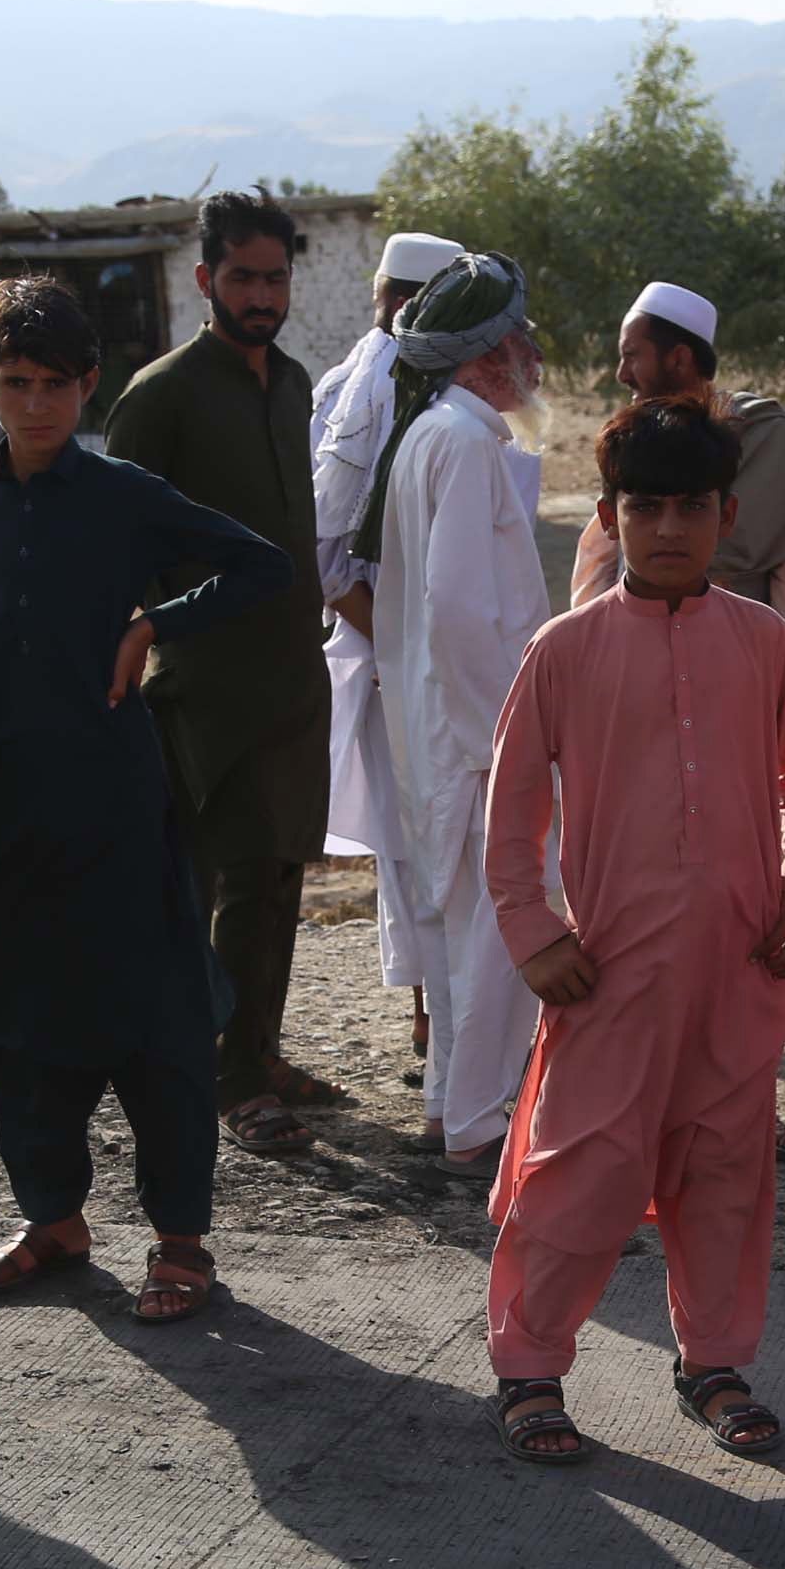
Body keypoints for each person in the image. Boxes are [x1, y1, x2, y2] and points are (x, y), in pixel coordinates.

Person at [0, 276, 291, 1326]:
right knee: (19, 1007)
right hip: (2, 795)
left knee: (158, 1016)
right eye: (16, 383)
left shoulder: (125, 493)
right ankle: (52, 1220)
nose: (37, 405)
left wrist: (153, 626)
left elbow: (260, 565)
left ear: (89, 385)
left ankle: (181, 1238)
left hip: (117, 796)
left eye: (56, 384)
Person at [480, 396, 785, 1467]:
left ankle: (714, 1363)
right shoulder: (566, 648)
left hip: (737, 966)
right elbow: (508, 810)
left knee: (725, 1174)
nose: (671, 526)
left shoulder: (761, 639)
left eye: (691, 506)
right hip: (610, 977)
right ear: (611, 514)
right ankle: (530, 1367)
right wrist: (533, 931)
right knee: (581, 1170)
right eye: (647, 505)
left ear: (728, 514)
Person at [103, 191, 341, 1154]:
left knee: (277, 875)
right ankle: (222, 1075)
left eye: (274, 276)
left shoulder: (293, 386)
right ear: (204, 279)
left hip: (291, 673)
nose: (260, 293)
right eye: (241, 276)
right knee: (206, 884)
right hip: (201, 688)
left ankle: (255, 1050)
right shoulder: (160, 394)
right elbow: (119, 549)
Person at [356, 250, 556, 1177]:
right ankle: (480, 1125)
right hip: (476, 735)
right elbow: (460, 609)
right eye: (520, 339)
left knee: (459, 924)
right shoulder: (467, 443)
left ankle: (449, 1107)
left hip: (446, 729)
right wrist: (512, 742)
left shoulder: (441, 433)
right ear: (483, 356)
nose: (533, 357)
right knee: (498, 929)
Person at [309, 229, 463, 1071]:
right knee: (425, 846)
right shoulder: (374, 388)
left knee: (423, 846)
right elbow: (329, 557)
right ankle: (442, 1031)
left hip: (410, 650)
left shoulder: (404, 381)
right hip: (395, 652)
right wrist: (408, 651)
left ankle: (438, 1025)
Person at [561, 282, 785, 676]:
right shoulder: (638, 435)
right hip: (634, 659)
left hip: (738, 666)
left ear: (679, 358)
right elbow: (604, 547)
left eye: (632, 356)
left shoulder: (760, 433)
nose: (622, 374)